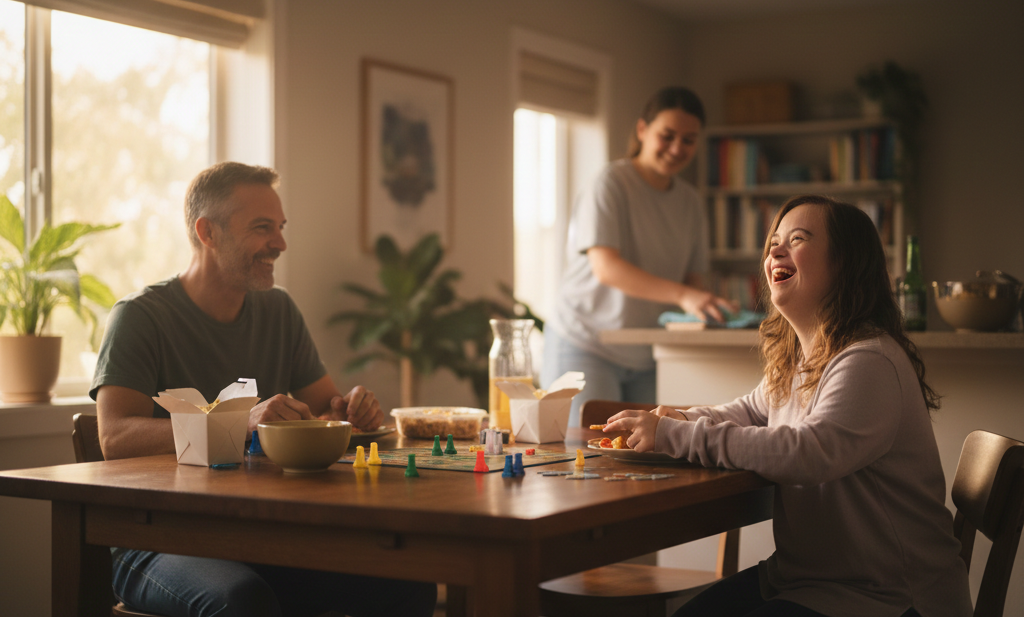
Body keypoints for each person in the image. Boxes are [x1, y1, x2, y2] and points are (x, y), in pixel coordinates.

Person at [90, 162, 437, 617]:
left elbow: (325, 410)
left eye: (280, 227)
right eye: (262, 228)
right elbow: (114, 438)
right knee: (244, 602)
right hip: (158, 540)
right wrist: (237, 423)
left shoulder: (279, 310)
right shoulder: (139, 318)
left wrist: (350, 410)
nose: (280, 243)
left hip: (261, 536)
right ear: (207, 232)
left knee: (408, 584)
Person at [606, 195, 972, 617]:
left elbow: (808, 453)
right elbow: (747, 411)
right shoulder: (802, 358)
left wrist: (677, 435)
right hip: (807, 580)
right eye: (774, 241)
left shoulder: (868, 359)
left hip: (886, 598)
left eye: (797, 239)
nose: (775, 250)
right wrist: (679, 418)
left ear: (844, 263)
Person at [542, 86, 734, 427]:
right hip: (585, 341)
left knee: (646, 458)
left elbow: (693, 279)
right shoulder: (611, 182)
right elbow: (606, 268)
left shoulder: (690, 202)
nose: (677, 148)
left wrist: (707, 307)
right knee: (583, 457)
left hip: (647, 352)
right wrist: (685, 296)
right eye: (668, 135)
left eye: (688, 140)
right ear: (643, 130)